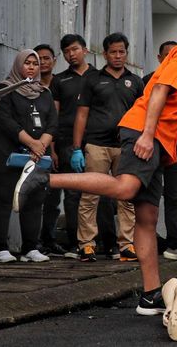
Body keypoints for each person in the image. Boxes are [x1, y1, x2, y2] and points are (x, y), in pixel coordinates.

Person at [13, 21, 177, 314]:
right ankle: (45, 179)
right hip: (144, 134)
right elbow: (159, 91)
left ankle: (150, 294)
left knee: (147, 218)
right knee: (126, 187)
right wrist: (148, 135)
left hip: (158, 143)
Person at [72, 33, 143, 262]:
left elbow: (142, 115)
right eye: (113, 52)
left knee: (127, 197)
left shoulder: (136, 81)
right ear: (105, 54)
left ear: (126, 53)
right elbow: (81, 115)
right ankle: (86, 244)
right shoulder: (92, 79)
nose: (118, 56)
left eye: (122, 51)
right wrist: (76, 148)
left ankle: (127, 245)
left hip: (125, 147)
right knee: (90, 196)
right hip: (96, 145)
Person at [0, 50, 57, 263]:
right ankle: (0, 247)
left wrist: (41, 145)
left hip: (37, 157)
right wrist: (32, 143)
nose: (31, 67)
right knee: (3, 199)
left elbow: (52, 122)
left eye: (34, 63)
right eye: (27, 63)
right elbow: (5, 119)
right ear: (18, 65)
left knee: (35, 199)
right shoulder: (5, 89)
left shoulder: (44, 92)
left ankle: (31, 247)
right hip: (8, 154)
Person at [49, 34, 99, 259]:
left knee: (100, 192)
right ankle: (73, 244)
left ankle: (103, 243)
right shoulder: (59, 80)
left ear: (85, 50)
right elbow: (54, 114)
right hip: (66, 142)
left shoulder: (99, 76)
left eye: (75, 49)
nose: (71, 54)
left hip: (98, 140)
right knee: (72, 194)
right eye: (67, 51)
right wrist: (51, 147)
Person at [144, 41, 177, 261]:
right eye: (167, 55)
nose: (171, 59)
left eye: (175, 55)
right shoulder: (148, 81)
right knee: (149, 196)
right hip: (153, 145)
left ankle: (174, 243)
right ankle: (149, 242)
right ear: (159, 57)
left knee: (173, 197)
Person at [33, 44, 67, 256]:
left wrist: (52, 149)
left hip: (55, 145)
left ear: (54, 60)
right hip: (31, 145)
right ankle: (33, 241)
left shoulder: (61, 83)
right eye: (39, 59)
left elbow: (55, 120)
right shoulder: (28, 85)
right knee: (35, 196)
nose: (43, 62)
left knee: (54, 198)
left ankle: (50, 238)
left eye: (47, 58)